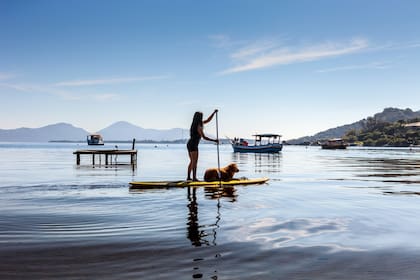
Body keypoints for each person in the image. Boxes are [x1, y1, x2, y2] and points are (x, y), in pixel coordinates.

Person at [187, 110, 219, 181]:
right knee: (195, 162)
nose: (202, 118)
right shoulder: (198, 126)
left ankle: (189, 177)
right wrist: (214, 140)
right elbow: (204, 137)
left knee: (192, 161)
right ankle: (194, 178)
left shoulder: (194, 124)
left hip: (190, 144)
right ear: (199, 117)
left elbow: (208, 120)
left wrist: (213, 113)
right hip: (193, 144)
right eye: (201, 116)